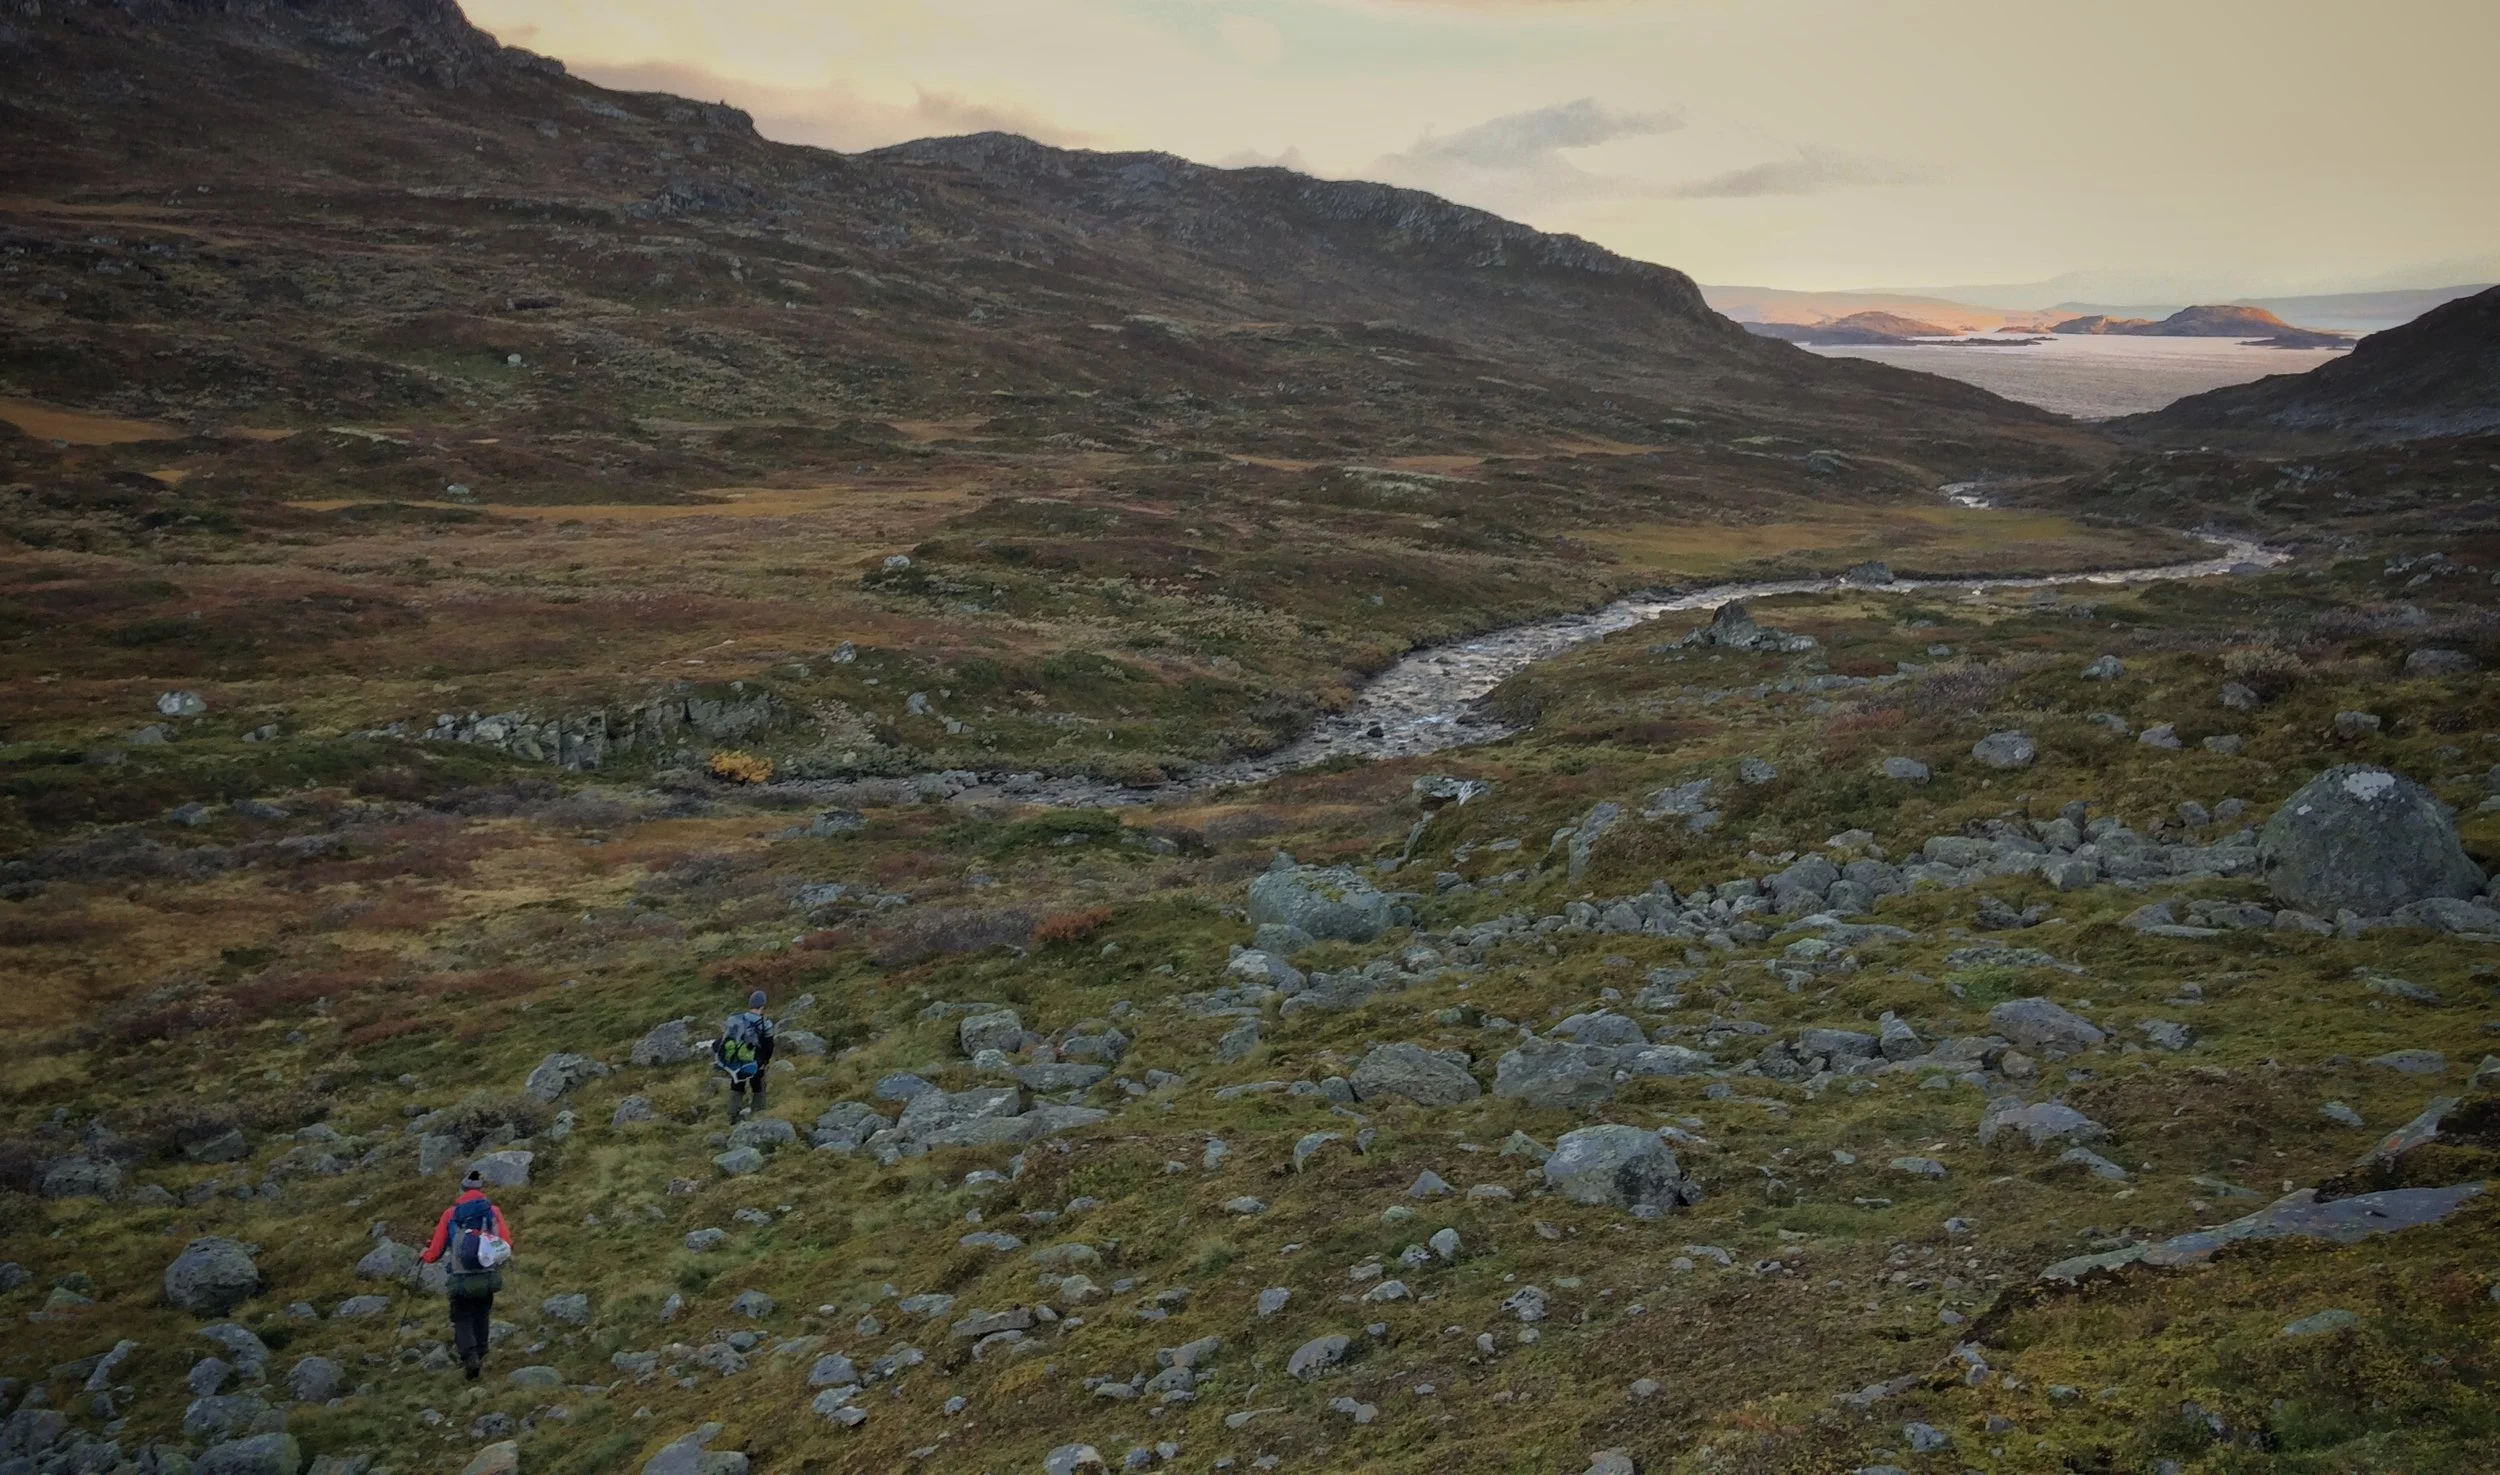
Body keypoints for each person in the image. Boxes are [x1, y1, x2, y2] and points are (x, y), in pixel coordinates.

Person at [418, 1168, 513, 1381]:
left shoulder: (450, 1214)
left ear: (462, 1190)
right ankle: (480, 1352)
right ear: (482, 1190)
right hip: (487, 1274)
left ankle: (469, 1355)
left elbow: (435, 1252)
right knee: (482, 1313)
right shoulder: (493, 1211)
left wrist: (425, 1254)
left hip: (461, 1276)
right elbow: (507, 1243)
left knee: (461, 1317)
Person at [716, 989, 777, 1122]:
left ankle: (733, 1116)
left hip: (738, 1061)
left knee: (737, 1085)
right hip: (756, 1062)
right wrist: (765, 1061)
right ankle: (757, 1115)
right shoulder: (765, 1024)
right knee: (758, 1087)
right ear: (762, 1006)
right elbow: (769, 1046)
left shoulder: (737, 1019)